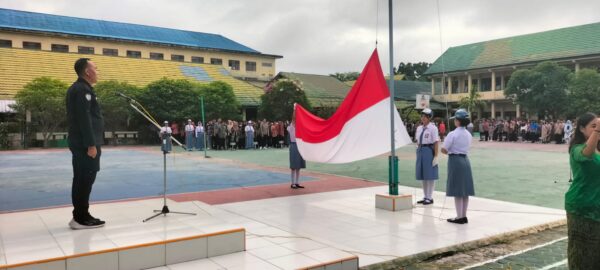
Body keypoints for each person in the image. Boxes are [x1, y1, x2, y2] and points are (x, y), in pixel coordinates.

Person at [66, 58, 105, 229]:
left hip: (81, 142)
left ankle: (82, 214)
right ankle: (80, 217)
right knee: (84, 179)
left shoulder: (80, 88)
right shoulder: (83, 90)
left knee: (82, 178)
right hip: (85, 144)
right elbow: (84, 119)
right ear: (87, 72)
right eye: (95, 68)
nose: (98, 71)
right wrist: (91, 144)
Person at [565, 113, 600, 269]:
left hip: (597, 206)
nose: (596, 129)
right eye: (593, 126)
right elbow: (587, 154)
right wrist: (597, 131)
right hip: (582, 208)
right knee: (583, 255)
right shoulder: (577, 149)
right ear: (581, 129)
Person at [442, 109, 474, 224]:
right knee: (465, 190)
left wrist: (449, 150)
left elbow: (444, 149)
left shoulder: (453, 134)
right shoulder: (468, 134)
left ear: (458, 121)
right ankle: (464, 216)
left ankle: (459, 217)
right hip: (466, 160)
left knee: (457, 190)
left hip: (455, 160)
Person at [414, 108, 439, 205]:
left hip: (429, 151)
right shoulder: (419, 128)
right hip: (420, 151)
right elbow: (417, 140)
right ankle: (425, 196)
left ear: (429, 118)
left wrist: (436, 156)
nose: (423, 118)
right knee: (423, 175)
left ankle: (430, 197)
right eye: (422, 116)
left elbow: (436, 142)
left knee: (430, 175)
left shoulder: (433, 128)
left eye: (425, 116)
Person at [288, 113, 305, 189]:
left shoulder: (299, 127)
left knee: (298, 166)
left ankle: (297, 183)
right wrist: (295, 110)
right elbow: (293, 118)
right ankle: (292, 183)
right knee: (294, 166)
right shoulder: (291, 127)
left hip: (300, 145)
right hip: (294, 145)